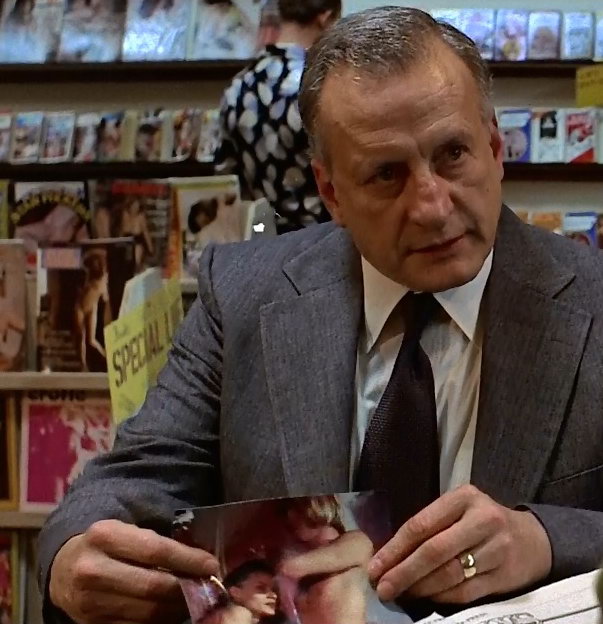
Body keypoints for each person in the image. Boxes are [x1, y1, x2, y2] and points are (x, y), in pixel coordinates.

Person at [41, 7, 603, 624]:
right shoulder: (244, 295)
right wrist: (70, 555)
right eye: (386, 174)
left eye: (453, 154)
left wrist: (547, 540)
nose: (432, 206)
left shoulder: (592, 304)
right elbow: (136, 475)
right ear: (331, 191)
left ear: (494, 148)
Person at [214, 0, 341, 234]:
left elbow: (225, 173)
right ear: (325, 18)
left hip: (263, 239)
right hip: (323, 239)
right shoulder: (318, 86)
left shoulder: (238, 87)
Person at [277, 496, 372, 624]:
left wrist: (285, 570)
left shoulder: (357, 541)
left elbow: (292, 568)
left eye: (297, 510)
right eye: (286, 512)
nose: (290, 516)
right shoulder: (302, 577)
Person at [202, 560, 278, 624]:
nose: (274, 595)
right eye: (261, 588)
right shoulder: (237, 614)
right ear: (235, 592)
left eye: (273, 589)